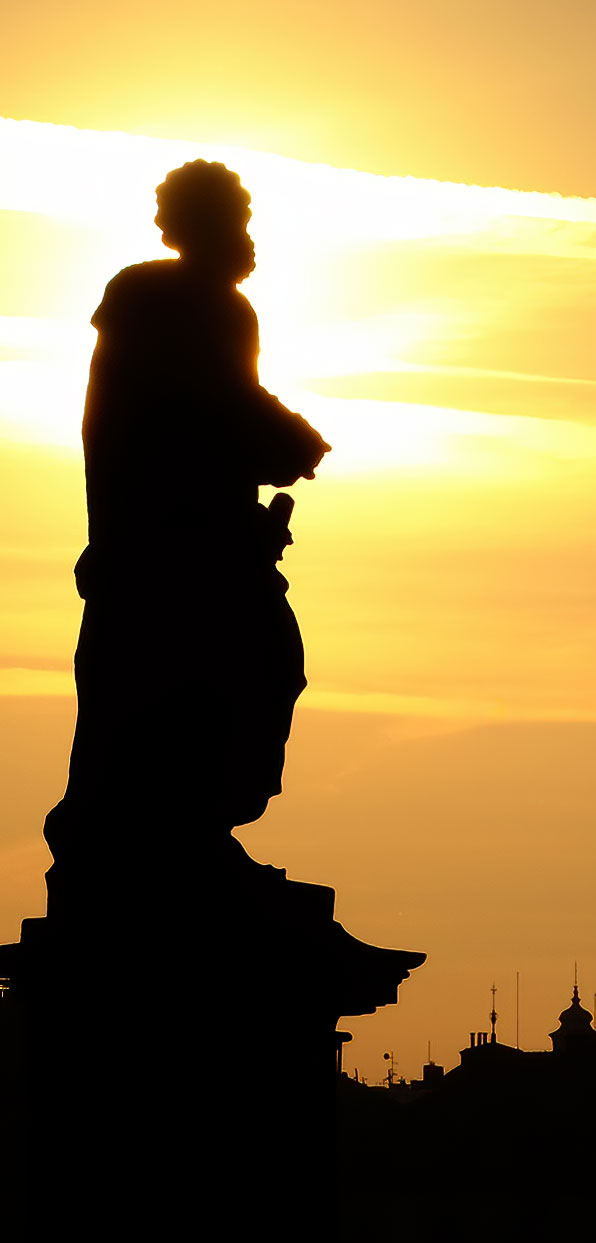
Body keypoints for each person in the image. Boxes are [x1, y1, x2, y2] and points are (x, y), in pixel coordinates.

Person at [47, 158, 328, 911]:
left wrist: (278, 434)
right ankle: (173, 845)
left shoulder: (212, 307)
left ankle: (189, 836)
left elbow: (225, 397)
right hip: (174, 550)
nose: (245, 237)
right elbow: (198, 406)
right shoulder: (160, 298)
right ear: (193, 227)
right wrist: (284, 438)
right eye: (233, 222)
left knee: (249, 671)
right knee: (230, 672)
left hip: (205, 544)